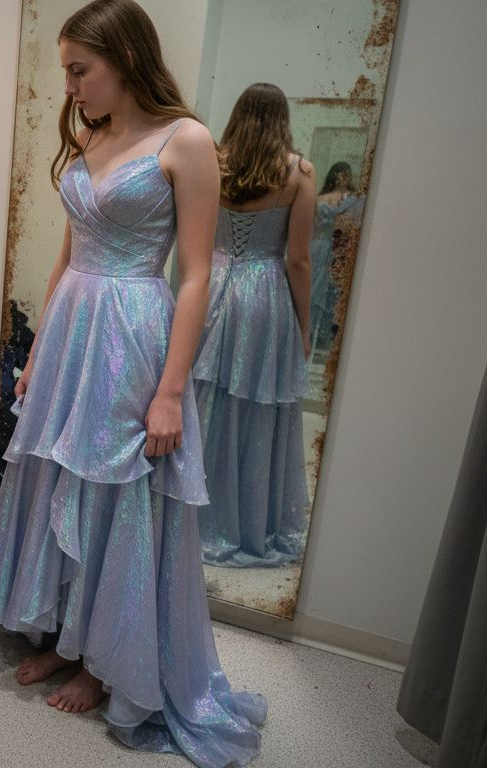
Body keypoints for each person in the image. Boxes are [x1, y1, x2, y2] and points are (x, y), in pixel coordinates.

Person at [0, 2, 265, 764]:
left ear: (126, 59)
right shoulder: (91, 135)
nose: (69, 87)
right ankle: (66, 636)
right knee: (60, 476)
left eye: (79, 70)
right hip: (73, 328)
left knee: (118, 491)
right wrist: (38, 348)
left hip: (132, 331)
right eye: (66, 72)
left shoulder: (186, 141)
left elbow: (195, 277)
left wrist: (170, 391)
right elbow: (68, 255)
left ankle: (106, 663)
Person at [191, 83, 315, 568]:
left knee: (206, 403)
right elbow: (298, 260)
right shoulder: (299, 173)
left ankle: (194, 515)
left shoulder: (213, 162)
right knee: (257, 409)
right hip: (265, 296)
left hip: (212, 286)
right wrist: (304, 325)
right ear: (282, 119)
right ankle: (245, 522)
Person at [310, 161, 358, 357]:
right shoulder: (323, 198)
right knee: (313, 285)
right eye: (339, 174)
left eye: (344, 175)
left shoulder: (350, 200)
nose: (341, 178)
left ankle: (319, 335)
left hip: (332, 247)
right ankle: (310, 332)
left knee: (328, 288)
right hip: (318, 245)